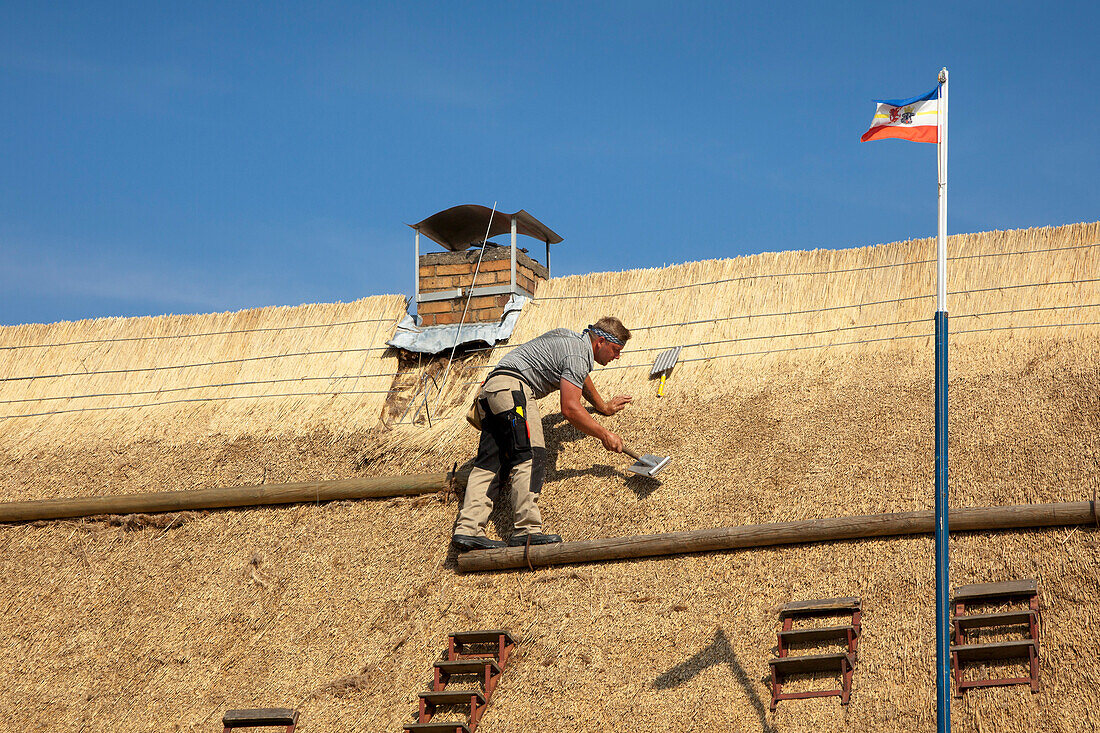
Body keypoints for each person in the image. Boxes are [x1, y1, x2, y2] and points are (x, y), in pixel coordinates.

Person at [452, 316, 633, 552]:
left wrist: (603, 407)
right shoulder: (578, 354)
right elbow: (569, 408)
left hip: (492, 391)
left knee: (489, 464)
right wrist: (604, 434)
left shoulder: (571, 342)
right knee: (531, 454)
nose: (617, 356)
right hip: (514, 390)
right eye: (616, 350)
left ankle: (468, 530)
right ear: (600, 342)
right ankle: (526, 531)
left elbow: (580, 378)